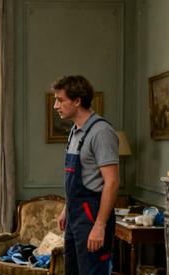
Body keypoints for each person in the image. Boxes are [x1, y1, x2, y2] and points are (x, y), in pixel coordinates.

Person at [52, 75, 121, 274]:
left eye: (60, 100)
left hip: (92, 216)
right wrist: (67, 208)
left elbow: (112, 182)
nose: (56, 105)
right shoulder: (75, 131)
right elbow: (77, 180)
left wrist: (99, 225)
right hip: (75, 216)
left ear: (77, 101)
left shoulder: (101, 132)